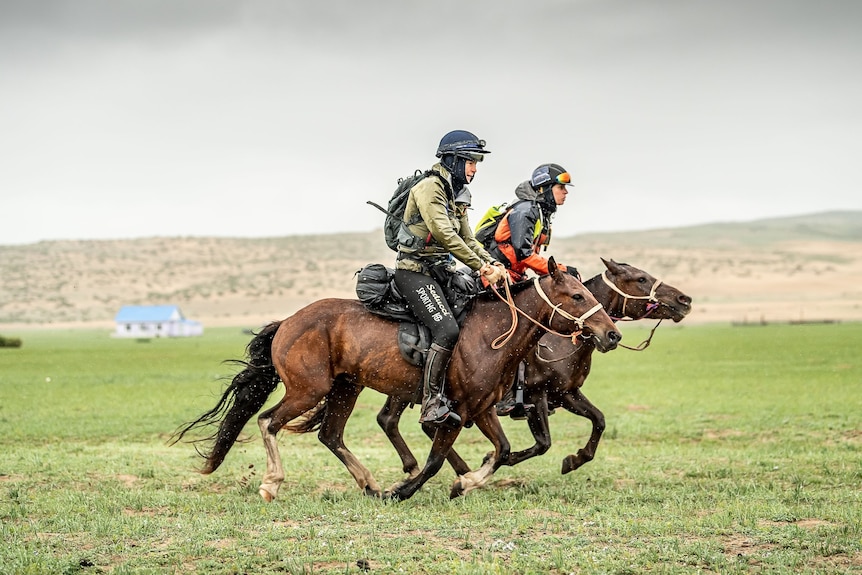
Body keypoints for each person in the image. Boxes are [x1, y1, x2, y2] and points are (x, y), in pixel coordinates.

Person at [394, 130, 507, 428]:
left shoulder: (458, 192)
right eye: (471, 161)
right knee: (446, 330)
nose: (474, 168)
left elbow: (468, 238)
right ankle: (432, 402)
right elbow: (445, 233)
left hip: (442, 271)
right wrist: (480, 268)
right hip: (414, 272)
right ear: (453, 160)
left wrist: (491, 261)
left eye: (477, 162)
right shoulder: (430, 187)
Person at [480, 163, 578, 418]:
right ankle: (505, 396)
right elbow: (524, 255)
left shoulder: (540, 211)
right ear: (544, 188)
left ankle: (526, 394)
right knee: (516, 330)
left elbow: (529, 257)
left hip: (513, 276)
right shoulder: (525, 210)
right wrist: (561, 271)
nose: (565, 192)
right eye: (561, 187)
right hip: (495, 278)